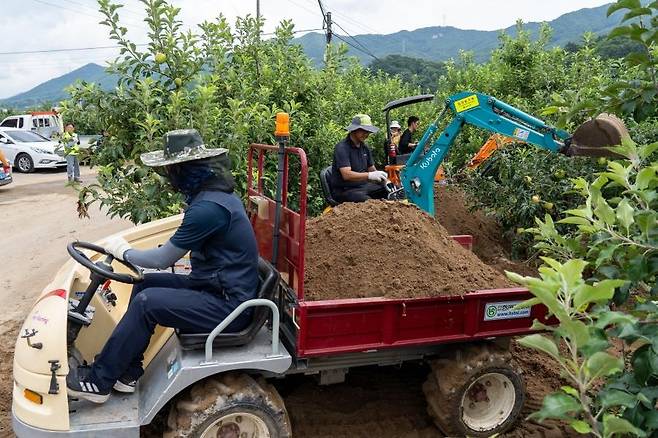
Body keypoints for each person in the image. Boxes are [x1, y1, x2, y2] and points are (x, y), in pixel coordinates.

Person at [66, 129, 259, 403]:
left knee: (148, 303)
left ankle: (99, 381)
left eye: (170, 170)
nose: (168, 176)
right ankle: (127, 373)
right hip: (215, 286)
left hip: (229, 305)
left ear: (183, 170)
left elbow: (162, 260)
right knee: (146, 282)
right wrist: (128, 254)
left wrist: (124, 250)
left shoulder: (208, 208)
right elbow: (166, 255)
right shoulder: (211, 198)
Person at [330, 114, 389, 203]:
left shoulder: (365, 147)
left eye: (368, 131)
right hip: (345, 190)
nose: (366, 134)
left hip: (362, 186)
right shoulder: (342, 148)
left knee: (387, 191)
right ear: (354, 130)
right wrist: (369, 175)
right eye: (363, 131)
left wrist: (383, 179)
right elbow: (346, 175)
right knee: (369, 203)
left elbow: (371, 168)